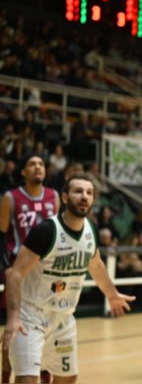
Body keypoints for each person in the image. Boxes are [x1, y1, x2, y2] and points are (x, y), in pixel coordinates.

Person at [2, 173, 135, 383]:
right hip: (31, 317)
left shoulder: (90, 229)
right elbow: (15, 275)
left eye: (89, 193)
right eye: (78, 191)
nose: (84, 196)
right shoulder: (46, 231)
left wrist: (112, 294)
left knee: (68, 378)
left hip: (63, 319)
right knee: (27, 380)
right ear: (64, 197)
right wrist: (13, 317)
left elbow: (96, 265)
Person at [0, 154, 59, 384]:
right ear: (23, 171)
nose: (38, 167)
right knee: (14, 326)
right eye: (32, 164)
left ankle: (43, 371)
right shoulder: (11, 198)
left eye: (41, 164)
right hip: (20, 271)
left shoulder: (54, 196)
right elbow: (1, 236)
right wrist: (7, 267)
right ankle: (6, 376)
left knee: (47, 325)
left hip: (46, 273)